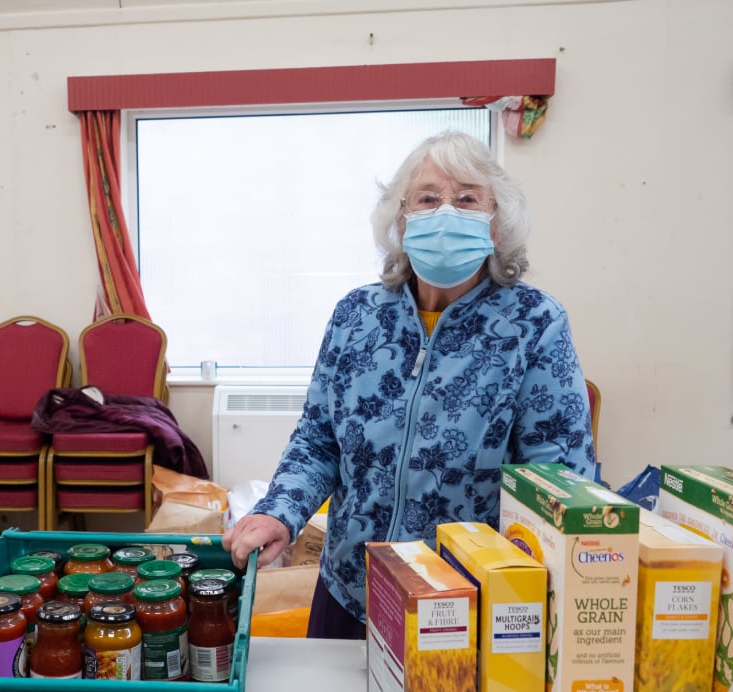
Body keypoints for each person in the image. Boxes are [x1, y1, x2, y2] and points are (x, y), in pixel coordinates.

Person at [222, 130, 595, 639]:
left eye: (467, 199)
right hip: (350, 591)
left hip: (464, 606)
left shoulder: (534, 324)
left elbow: (559, 477)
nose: (445, 211)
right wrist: (280, 511)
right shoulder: (357, 316)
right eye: (427, 198)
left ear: (497, 220)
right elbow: (318, 439)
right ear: (401, 218)